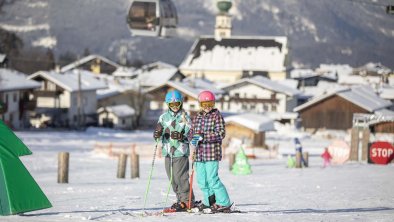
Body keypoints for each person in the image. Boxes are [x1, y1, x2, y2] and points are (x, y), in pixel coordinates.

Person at [189, 90, 232, 212]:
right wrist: (192, 139)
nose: (207, 107)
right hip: (199, 154)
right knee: (202, 180)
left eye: (210, 104)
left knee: (212, 179)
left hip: (211, 153)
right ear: (200, 104)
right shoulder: (197, 117)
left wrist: (203, 136)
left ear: (214, 103)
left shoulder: (216, 116)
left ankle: (224, 202)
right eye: (204, 104)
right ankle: (208, 202)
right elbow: (191, 132)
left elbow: (220, 134)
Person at [153, 90, 194, 212]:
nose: (175, 107)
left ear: (181, 104)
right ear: (168, 105)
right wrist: (157, 133)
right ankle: (180, 199)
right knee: (172, 178)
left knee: (180, 177)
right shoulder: (163, 117)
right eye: (172, 105)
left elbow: (191, 136)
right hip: (167, 151)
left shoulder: (185, 117)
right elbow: (157, 136)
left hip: (180, 151)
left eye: (177, 104)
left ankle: (187, 200)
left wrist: (182, 136)